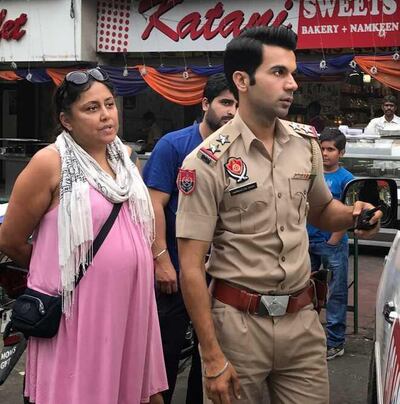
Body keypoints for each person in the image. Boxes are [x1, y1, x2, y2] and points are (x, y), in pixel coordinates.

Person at [176, 26, 381, 404]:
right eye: (278, 73)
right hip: (237, 328)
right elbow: (190, 266)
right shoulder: (206, 161)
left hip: (302, 323)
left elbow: (320, 211)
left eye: (292, 73)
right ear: (242, 80)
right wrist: (212, 356)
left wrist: (354, 215)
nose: (292, 85)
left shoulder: (305, 144)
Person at [0, 68, 168, 404]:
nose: (106, 115)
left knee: (132, 388)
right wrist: (58, 267)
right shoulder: (50, 163)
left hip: (131, 301)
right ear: (67, 120)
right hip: (78, 308)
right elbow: (10, 240)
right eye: (91, 108)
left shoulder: (127, 159)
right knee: (80, 389)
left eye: (109, 104)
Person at [143, 73, 237, 404]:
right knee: (165, 354)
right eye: (225, 103)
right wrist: (162, 259)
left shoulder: (241, 151)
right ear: (205, 104)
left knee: (211, 357)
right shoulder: (174, 145)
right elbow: (154, 203)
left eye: (238, 105)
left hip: (223, 273)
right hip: (178, 273)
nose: (232, 112)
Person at [307, 128, 354, 361]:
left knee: (335, 294)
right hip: (307, 242)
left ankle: (335, 342)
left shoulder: (347, 179)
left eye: (330, 149)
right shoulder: (310, 173)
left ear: (341, 152)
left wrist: (333, 239)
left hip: (332, 244)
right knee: (307, 293)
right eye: (321, 148)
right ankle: (309, 340)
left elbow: (348, 213)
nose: (325, 154)